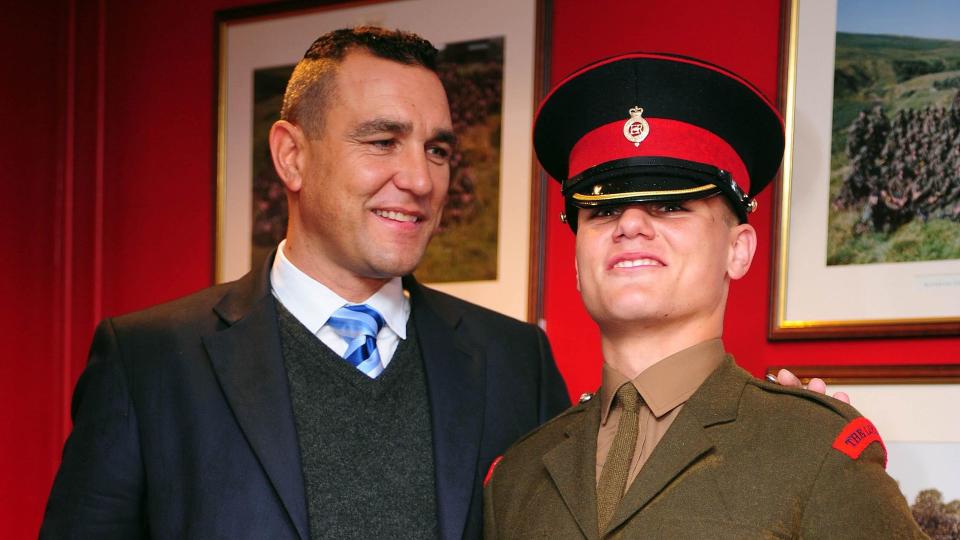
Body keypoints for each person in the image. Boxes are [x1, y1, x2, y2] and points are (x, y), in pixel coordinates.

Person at [40, 27, 571, 539]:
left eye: (437, 150)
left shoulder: (517, 363)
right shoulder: (147, 363)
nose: (420, 180)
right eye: (384, 141)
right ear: (292, 157)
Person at [483, 53, 927, 538]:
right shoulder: (516, 476)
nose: (630, 225)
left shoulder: (814, 449)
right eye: (603, 211)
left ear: (738, 250)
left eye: (671, 205)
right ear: (575, 261)